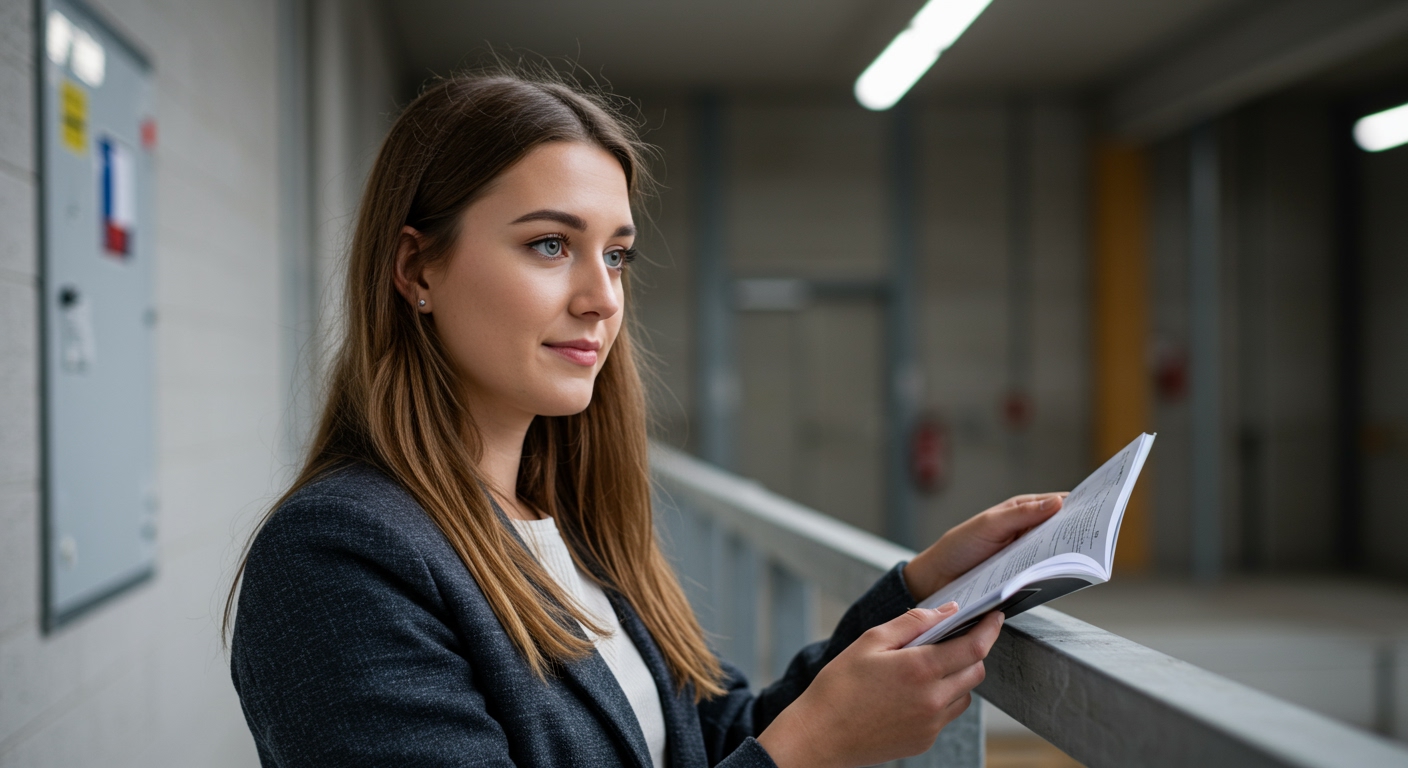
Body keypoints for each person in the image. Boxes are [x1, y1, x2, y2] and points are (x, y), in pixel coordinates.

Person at [226, 68, 1066, 768]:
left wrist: (920, 592)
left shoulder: (567, 528)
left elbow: (700, 743)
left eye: (616, 253)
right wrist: (810, 750)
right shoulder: (337, 557)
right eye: (550, 244)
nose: (601, 299)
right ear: (417, 268)